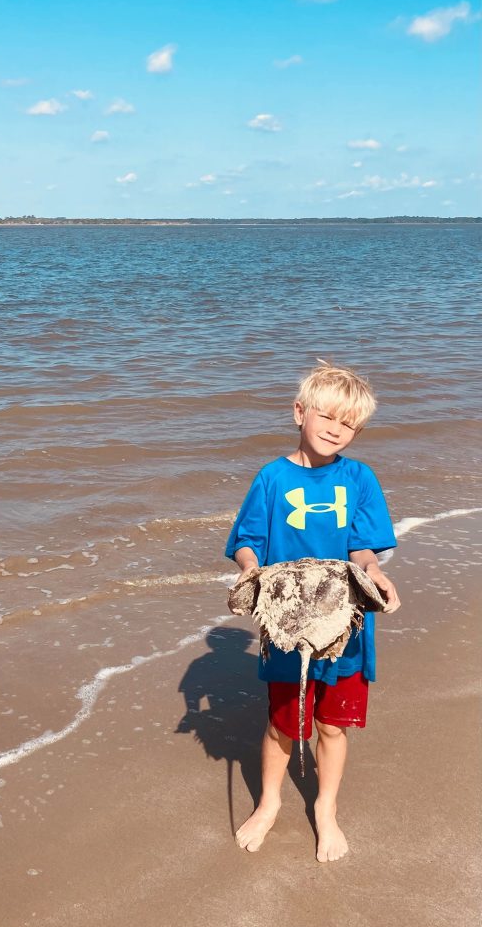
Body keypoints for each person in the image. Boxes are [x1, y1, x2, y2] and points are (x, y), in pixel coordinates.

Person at [225, 361, 400, 862]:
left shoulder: (360, 478)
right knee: (284, 723)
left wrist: (375, 574)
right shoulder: (271, 477)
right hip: (287, 621)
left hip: (346, 621)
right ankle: (270, 802)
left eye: (348, 424)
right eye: (326, 416)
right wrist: (249, 569)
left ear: (357, 431)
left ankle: (325, 808)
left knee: (332, 725)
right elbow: (248, 541)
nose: (335, 429)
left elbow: (364, 549)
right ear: (299, 412)